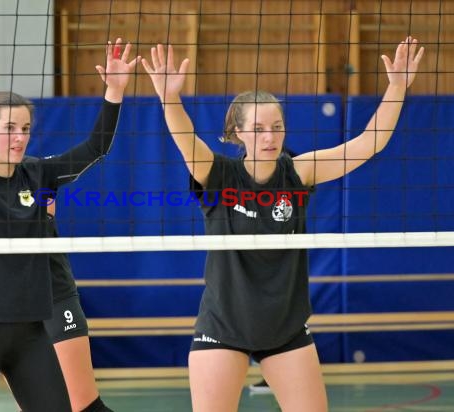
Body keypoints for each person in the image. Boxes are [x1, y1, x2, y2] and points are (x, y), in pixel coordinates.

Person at [141, 37, 424, 412]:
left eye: (276, 126)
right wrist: (169, 99)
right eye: (258, 129)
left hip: (285, 330)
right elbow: (184, 138)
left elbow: (367, 144)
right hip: (223, 327)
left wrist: (397, 88)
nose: (270, 137)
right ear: (238, 132)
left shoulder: (299, 172)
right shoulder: (217, 174)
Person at [0, 40, 138, 412]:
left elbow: (95, 148)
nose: (20, 136)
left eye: (26, 128)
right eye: (10, 127)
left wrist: (114, 91)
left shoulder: (38, 173)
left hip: (30, 330)